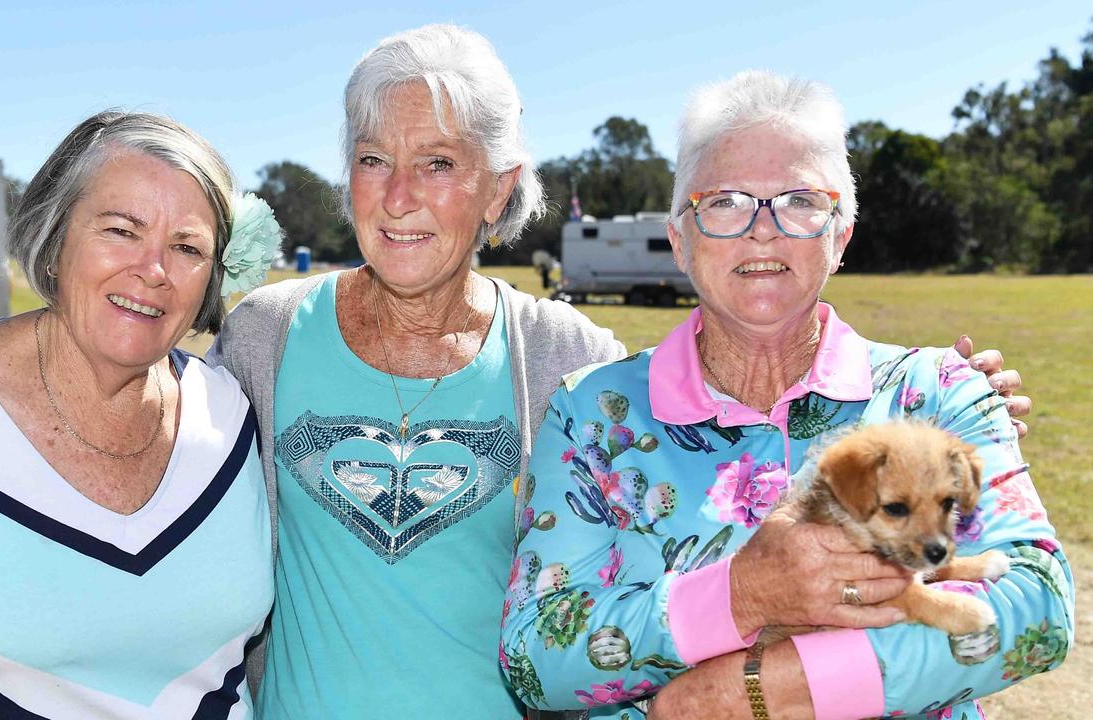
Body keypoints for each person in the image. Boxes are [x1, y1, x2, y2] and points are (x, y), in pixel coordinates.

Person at [211, 28, 1030, 719]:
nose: (396, 197)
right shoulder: (266, 338)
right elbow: (173, 451)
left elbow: (718, 493)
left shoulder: (573, 366)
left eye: (436, 164)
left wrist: (941, 431)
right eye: (370, 158)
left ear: (498, 193)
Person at [501, 71, 1072, 720]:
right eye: (723, 201)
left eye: (799, 199)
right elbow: (535, 658)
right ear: (679, 240)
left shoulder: (939, 391)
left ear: (841, 236)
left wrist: (746, 694)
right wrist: (741, 596)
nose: (762, 229)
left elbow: (1038, 608)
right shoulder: (594, 413)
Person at [0, 111, 281, 719]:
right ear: (54, 238)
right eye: (120, 230)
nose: (154, 270)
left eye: (187, 247)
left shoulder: (232, 416)